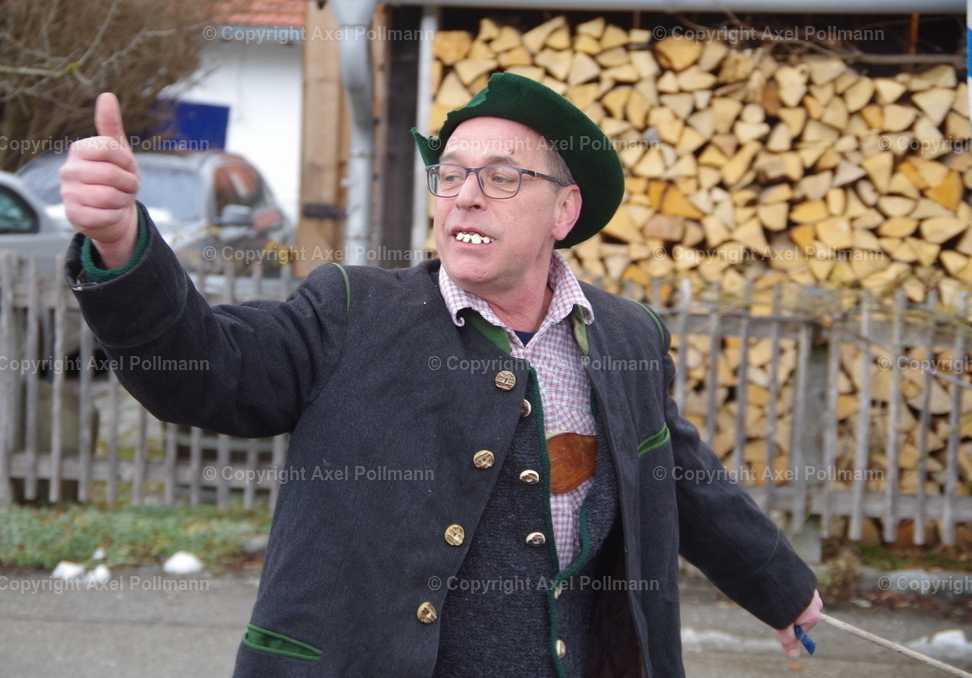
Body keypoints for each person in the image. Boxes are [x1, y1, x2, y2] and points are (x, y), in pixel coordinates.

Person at [60, 73, 822, 678]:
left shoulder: (626, 335)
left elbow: (678, 474)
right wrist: (127, 251)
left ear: (564, 211)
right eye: (451, 173)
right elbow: (204, 373)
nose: (463, 194)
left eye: (499, 177)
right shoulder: (351, 309)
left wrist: (782, 588)